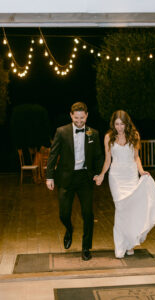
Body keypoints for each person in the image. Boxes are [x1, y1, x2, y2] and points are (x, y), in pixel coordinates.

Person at [94, 110, 155, 259]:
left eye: (122, 124)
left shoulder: (134, 135)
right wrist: (102, 174)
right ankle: (120, 245)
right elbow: (108, 159)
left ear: (127, 123)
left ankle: (129, 243)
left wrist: (141, 171)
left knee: (130, 211)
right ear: (113, 124)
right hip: (116, 177)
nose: (119, 127)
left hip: (131, 176)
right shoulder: (108, 137)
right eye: (116, 124)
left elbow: (136, 157)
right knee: (121, 209)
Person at [46, 102, 103, 261]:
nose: (79, 121)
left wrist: (99, 174)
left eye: (82, 118)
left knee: (88, 214)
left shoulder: (93, 133)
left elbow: (98, 156)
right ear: (71, 115)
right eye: (76, 118)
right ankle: (69, 229)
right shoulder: (61, 132)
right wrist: (49, 176)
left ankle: (86, 248)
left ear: (87, 115)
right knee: (63, 214)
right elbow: (53, 155)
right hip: (66, 178)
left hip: (85, 178)